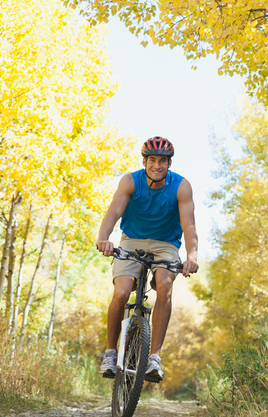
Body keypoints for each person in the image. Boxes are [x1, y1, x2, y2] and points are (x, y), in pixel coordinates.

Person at [95, 136, 199, 382]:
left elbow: (190, 226)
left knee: (164, 286)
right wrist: (104, 238)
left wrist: (191, 256)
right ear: (144, 161)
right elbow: (113, 212)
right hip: (132, 240)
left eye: (163, 161)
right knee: (121, 292)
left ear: (169, 164)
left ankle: (154, 358)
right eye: (152, 160)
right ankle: (110, 353)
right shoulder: (130, 181)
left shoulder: (181, 186)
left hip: (166, 245)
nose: (157, 165)